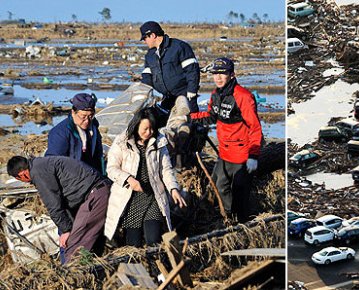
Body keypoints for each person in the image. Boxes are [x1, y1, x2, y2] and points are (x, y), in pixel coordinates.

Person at [182, 57, 262, 223]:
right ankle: (227, 218)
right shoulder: (215, 95)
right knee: (219, 185)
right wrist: (189, 117)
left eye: (222, 73)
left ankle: (242, 223)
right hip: (224, 153)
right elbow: (211, 116)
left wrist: (253, 156)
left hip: (242, 155)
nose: (218, 77)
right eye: (215, 74)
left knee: (240, 191)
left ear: (231, 75)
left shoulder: (243, 97)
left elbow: (255, 128)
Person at [104, 107, 186, 247]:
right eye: (145, 129)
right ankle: (135, 267)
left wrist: (173, 188)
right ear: (136, 126)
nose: (149, 133)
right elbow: (111, 169)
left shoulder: (159, 143)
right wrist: (129, 179)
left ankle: (156, 266)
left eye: (152, 129)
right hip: (130, 198)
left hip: (153, 195)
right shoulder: (122, 142)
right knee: (133, 244)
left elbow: (165, 170)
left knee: (153, 239)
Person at [6, 155, 111, 264]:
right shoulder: (42, 164)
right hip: (98, 192)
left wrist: (66, 230)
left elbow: (53, 204)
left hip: (95, 195)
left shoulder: (38, 171)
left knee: (74, 247)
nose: (25, 182)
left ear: (22, 174)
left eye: (20, 179)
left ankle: (73, 277)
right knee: (89, 243)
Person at [140, 21, 200, 113]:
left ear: (152, 35)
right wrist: (144, 95)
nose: (144, 42)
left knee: (190, 124)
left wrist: (192, 92)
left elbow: (192, 71)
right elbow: (147, 77)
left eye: (145, 38)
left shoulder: (179, 47)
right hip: (167, 98)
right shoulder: (150, 55)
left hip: (185, 96)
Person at [45, 93, 104, 174]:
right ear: (73, 112)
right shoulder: (60, 133)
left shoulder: (93, 129)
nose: (87, 121)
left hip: (91, 176)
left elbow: (98, 156)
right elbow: (53, 163)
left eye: (90, 116)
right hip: (71, 179)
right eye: (83, 116)